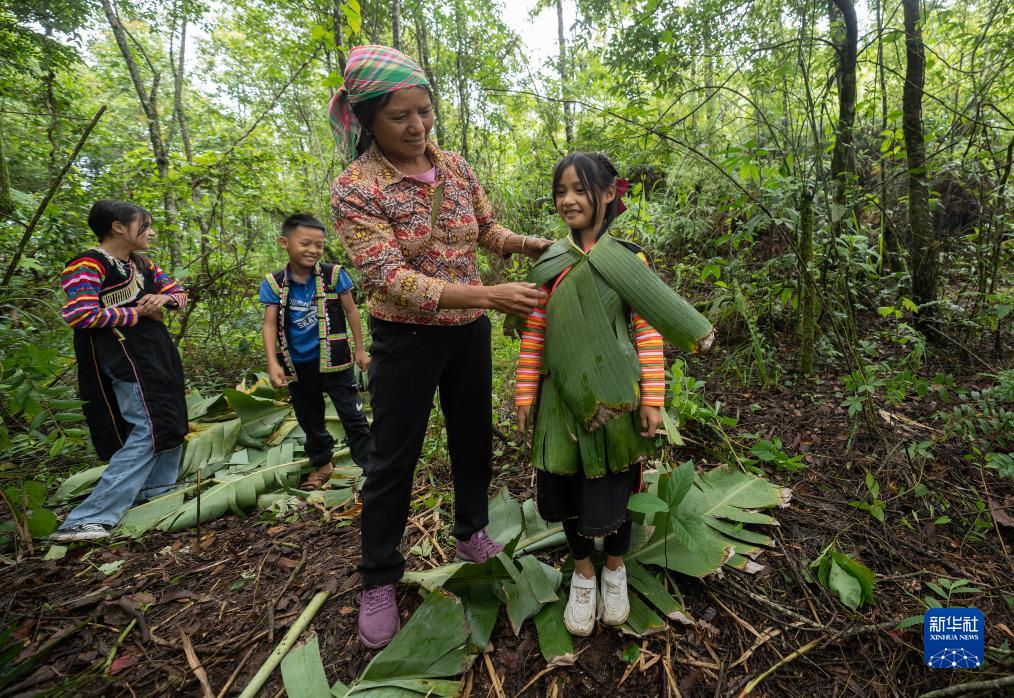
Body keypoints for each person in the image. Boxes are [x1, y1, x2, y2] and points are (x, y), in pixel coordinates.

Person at [328, 44, 551, 648]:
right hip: (404, 338)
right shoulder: (355, 187)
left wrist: (531, 245)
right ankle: (379, 576)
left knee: (472, 437)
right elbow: (388, 277)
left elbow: (488, 229)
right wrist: (488, 295)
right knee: (391, 458)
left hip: (467, 333)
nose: (417, 126)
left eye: (424, 111)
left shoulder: (454, 166)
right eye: (399, 116)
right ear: (368, 119)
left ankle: (471, 531)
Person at [515, 153, 665, 636]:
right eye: (561, 191)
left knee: (615, 487)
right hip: (561, 405)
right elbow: (535, 333)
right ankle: (583, 575)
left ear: (606, 194)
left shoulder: (627, 259)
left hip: (615, 404)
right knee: (566, 488)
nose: (568, 200)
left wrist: (653, 398)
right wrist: (525, 395)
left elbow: (647, 330)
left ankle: (615, 570)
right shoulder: (552, 263)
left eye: (580, 190)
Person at [50, 200, 189, 542]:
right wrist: (136, 313)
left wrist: (163, 300)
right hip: (124, 356)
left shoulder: (142, 263)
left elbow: (179, 294)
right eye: (145, 225)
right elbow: (80, 314)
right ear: (118, 227)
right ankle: (87, 518)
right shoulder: (87, 264)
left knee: (170, 420)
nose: (151, 232)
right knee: (148, 426)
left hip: (156, 353)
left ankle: (156, 495)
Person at [260, 213, 373, 489]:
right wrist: (273, 363)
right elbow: (269, 324)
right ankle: (323, 464)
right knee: (310, 420)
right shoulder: (274, 283)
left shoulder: (334, 275)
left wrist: (360, 350)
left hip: (337, 363)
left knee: (353, 416)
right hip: (298, 367)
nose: (313, 250)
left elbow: (351, 311)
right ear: (285, 243)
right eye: (305, 243)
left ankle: (372, 470)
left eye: (319, 245)